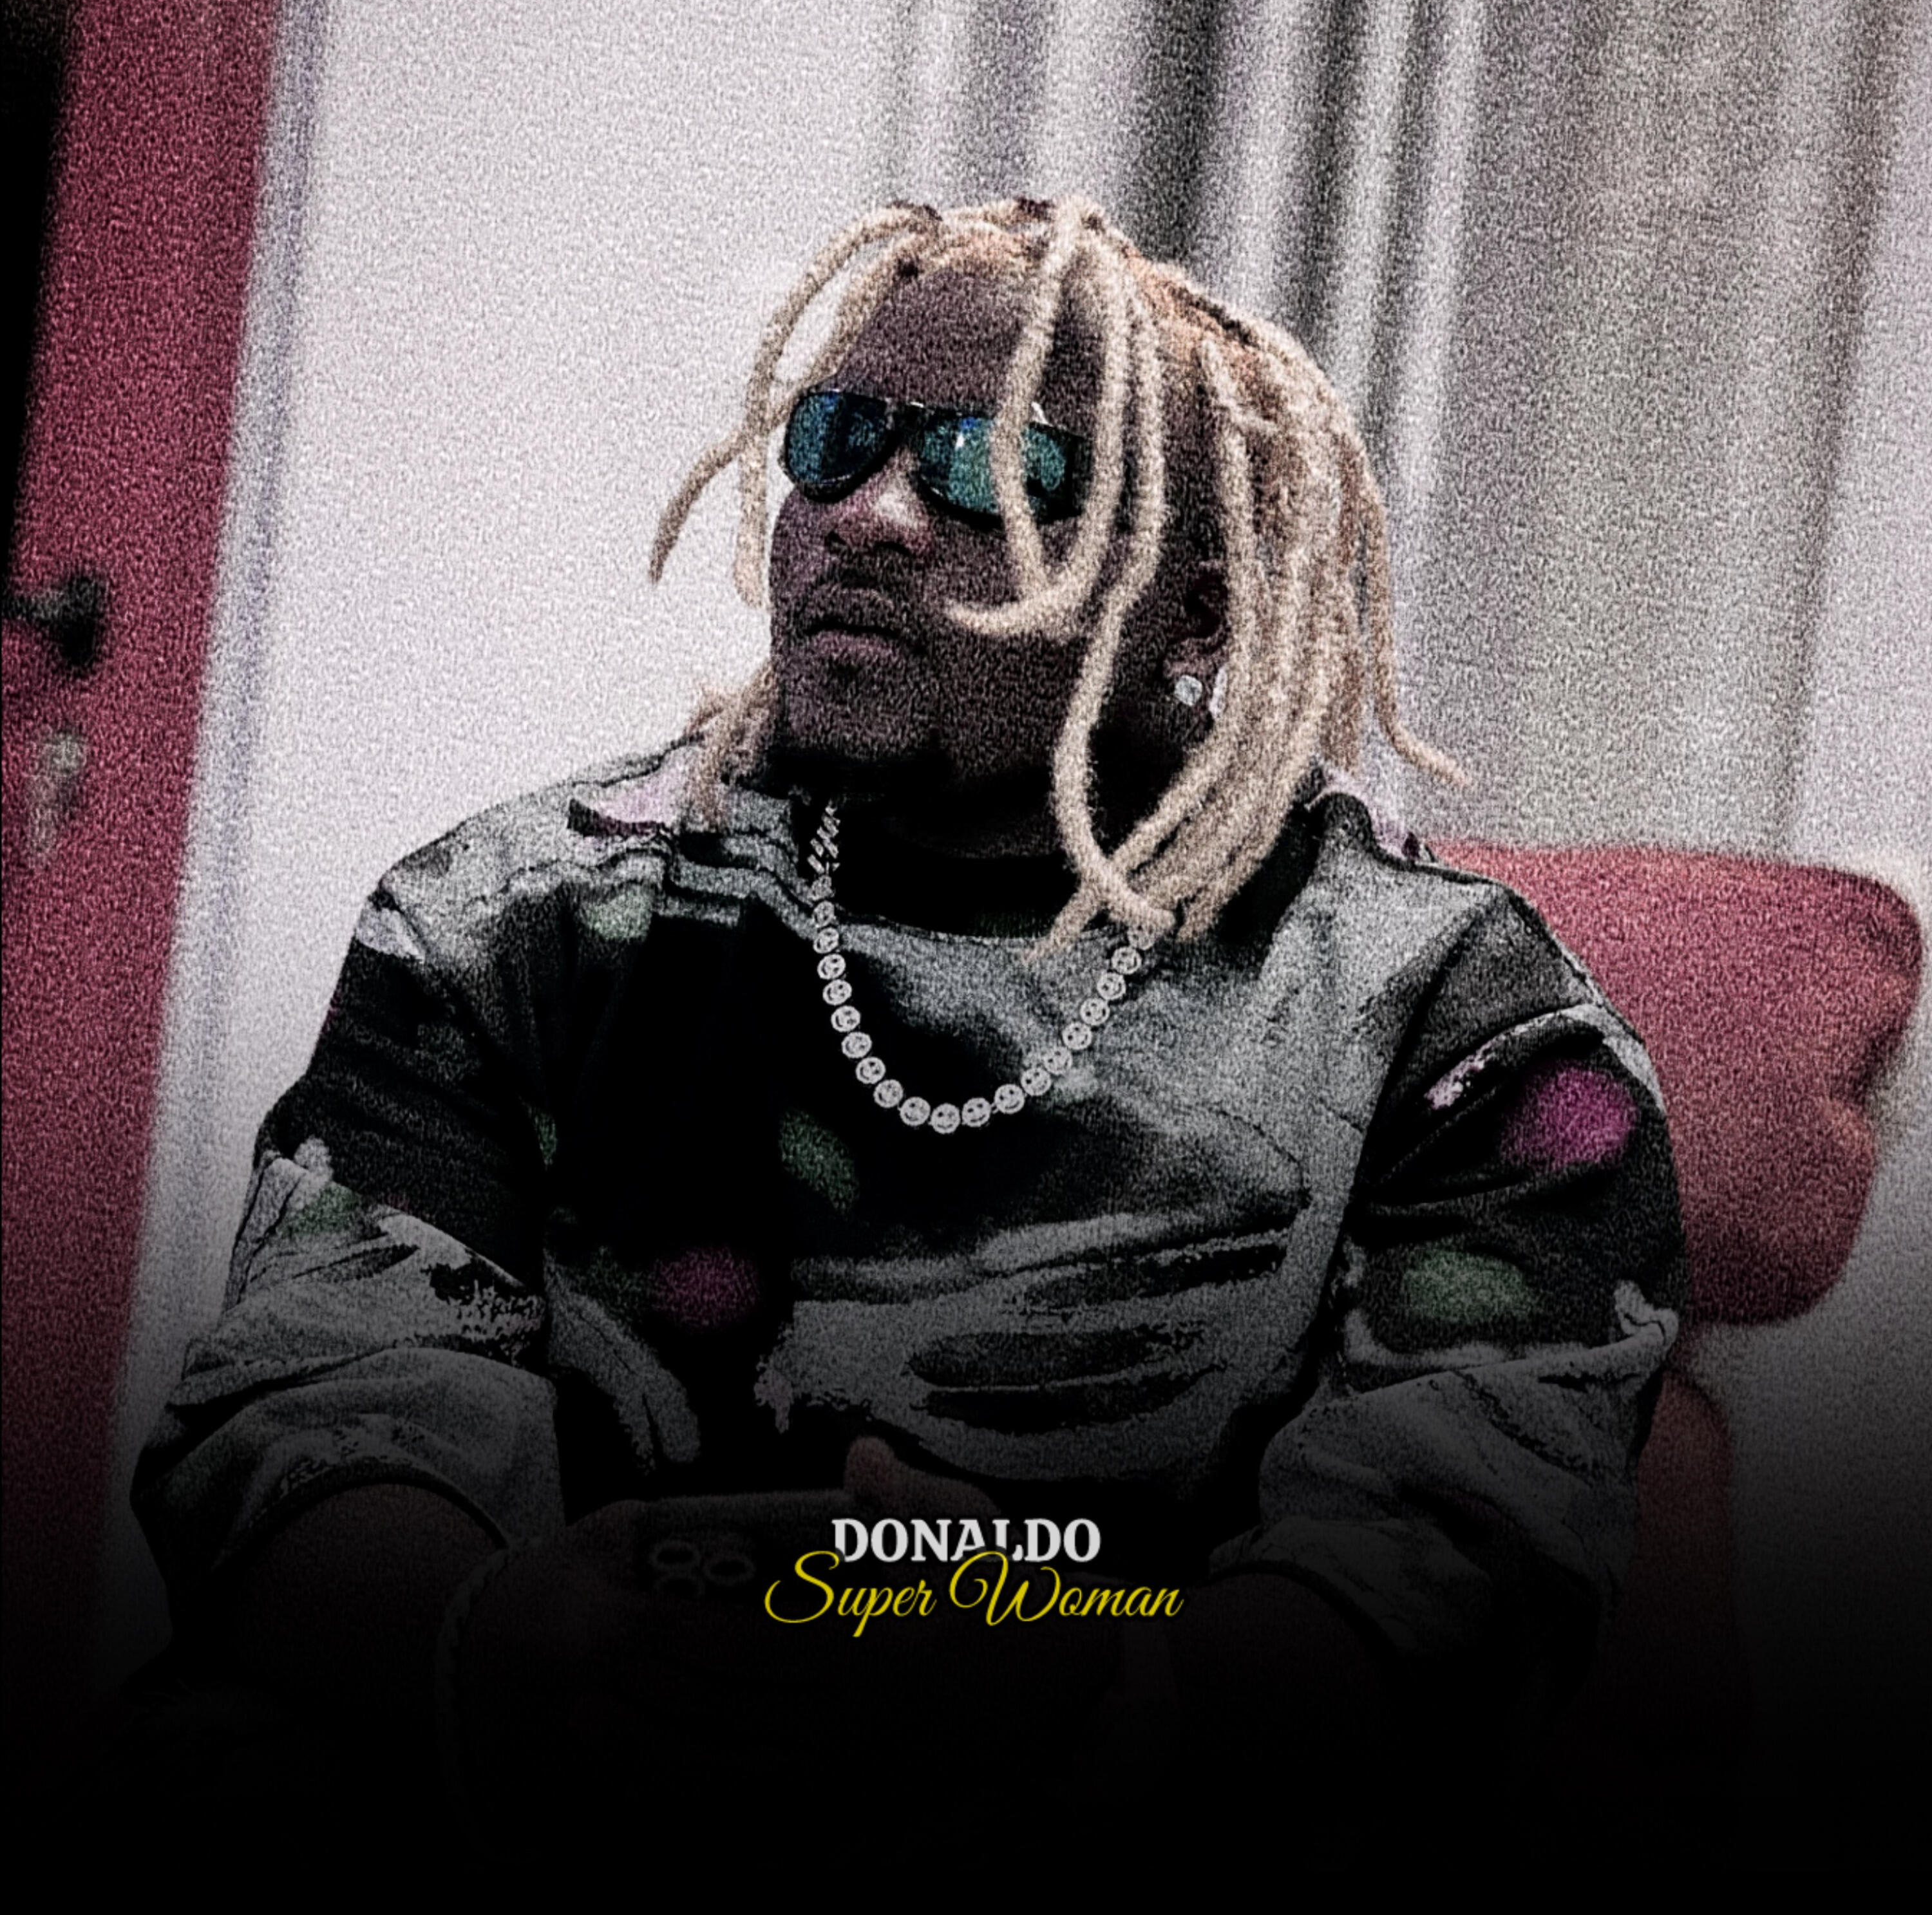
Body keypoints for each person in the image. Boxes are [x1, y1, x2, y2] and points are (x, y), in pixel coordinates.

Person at [131, 196, 1685, 1852]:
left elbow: (1458, 1565)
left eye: (996, 474)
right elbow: (316, 1411)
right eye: (837, 439)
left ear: (1195, 615)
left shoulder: (1460, 1023)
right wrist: (508, 1641)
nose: (869, 514)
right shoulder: (518, 919)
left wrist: (1094, 1693)